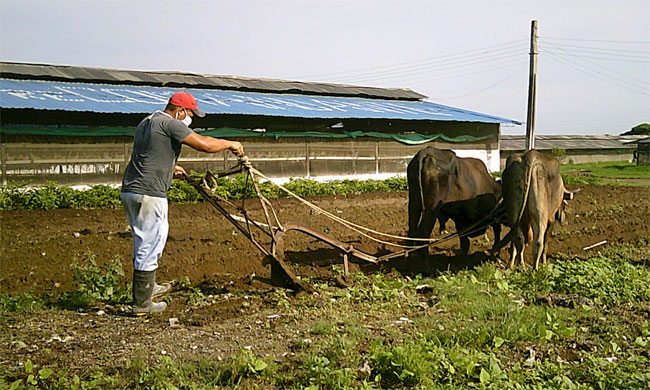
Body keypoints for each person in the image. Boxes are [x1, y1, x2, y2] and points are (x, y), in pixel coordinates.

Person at [121, 91, 244, 315]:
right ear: (180, 111)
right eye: (190, 114)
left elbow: (148, 153)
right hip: (150, 193)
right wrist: (230, 143)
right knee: (151, 241)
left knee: (144, 240)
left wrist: (170, 167)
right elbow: (204, 144)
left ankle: (148, 289)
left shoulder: (146, 122)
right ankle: (142, 304)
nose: (191, 119)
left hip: (132, 189)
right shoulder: (170, 123)